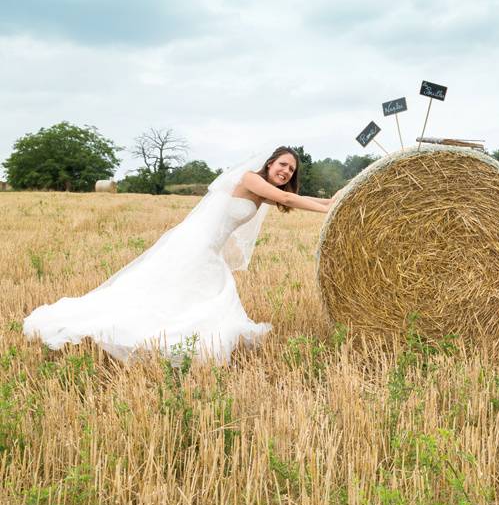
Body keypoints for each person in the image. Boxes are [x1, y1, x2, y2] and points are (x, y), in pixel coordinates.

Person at [24, 146, 335, 364]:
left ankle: (187, 335)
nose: (286, 171)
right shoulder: (251, 179)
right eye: (282, 164)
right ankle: (160, 336)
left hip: (206, 246)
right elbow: (284, 197)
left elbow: (290, 197)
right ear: (269, 163)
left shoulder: (262, 190)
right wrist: (325, 207)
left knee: (192, 292)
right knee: (190, 291)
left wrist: (331, 201)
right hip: (196, 242)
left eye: (291, 169)